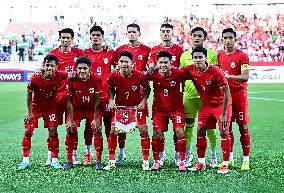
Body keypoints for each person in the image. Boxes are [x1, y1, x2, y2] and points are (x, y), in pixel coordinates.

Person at [182, 47, 232, 174]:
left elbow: (227, 92)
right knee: (200, 130)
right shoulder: (191, 70)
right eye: (195, 57)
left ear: (205, 58)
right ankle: (201, 162)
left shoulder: (216, 71)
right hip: (207, 106)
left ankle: (225, 164)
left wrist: (224, 113)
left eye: (200, 57)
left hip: (221, 105)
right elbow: (175, 73)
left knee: (223, 131)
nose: (198, 60)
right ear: (192, 59)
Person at [18, 55, 67, 170]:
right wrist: (29, 112)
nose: (50, 68)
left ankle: (54, 160)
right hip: (35, 108)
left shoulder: (60, 75)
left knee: (53, 131)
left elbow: (73, 75)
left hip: (50, 108)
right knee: (28, 131)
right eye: (48, 65)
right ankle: (25, 161)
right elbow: (29, 94)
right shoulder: (35, 78)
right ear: (43, 66)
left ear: (56, 67)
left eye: (52, 66)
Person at [104, 51, 151, 171]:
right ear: (118, 63)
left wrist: (143, 102)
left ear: (132, 63)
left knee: (143, 129)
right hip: (120, 107)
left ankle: (145, 161)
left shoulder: (140, 75)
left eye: (126, 62)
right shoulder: (113, 76)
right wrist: (111, 99)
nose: (124, 64)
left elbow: (147, 88)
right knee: (114, 131)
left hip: (136, 107)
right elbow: (110, 88)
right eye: (121, 61)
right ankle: (112, 161)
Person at [180, 27, 218, 168]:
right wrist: (180, 94)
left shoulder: (213, 55)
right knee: (188, 128)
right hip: (189, 97)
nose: (197, 38)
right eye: (194, 35)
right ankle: (189, 156)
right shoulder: (184, 56)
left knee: (209, 129)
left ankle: (213, 156)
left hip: (206, 99)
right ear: (191, 37)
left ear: (204, 37)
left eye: (199, 36)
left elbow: (216, 75)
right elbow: (181, 77)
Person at [113, 23, 151, 165]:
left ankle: (152, 157)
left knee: (142, 126)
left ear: (139, 33)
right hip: (122, 93)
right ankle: (121, 154)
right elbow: (114, 70)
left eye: (134, 32)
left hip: (140, 95)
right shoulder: (120, 50)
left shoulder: (146, 50)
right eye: (129, 32)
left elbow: (151, 68)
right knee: (120, 126)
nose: (131, 34)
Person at [46, 28, 84, 165]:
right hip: (55, 97)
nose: (65, 40)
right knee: (52, 127)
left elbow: (92, 58)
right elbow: (46, 74)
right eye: (63, 37)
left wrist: (106, 47)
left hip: (72, 97)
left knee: (72, 127)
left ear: (72, 39)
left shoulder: (79, 54)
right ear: (59, 38)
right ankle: (51, 155)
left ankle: (74, 154)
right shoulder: (52, 54)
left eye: (68, 37)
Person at [148, 23, 184, 165]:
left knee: (178, 131)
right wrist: (154, 67)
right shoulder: (154, 50)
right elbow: (150, 68)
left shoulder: (179, 50)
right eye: (163, 31)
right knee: (158, 132)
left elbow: (183, 71)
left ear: (172, 33)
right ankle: (160, 157)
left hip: (175, 98)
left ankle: (178, 157)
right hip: (160, 102)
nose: (165, 33)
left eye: (168, 31)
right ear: (160, 33)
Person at [218, 28, 251, 171]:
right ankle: (230, 159)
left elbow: (245, 76)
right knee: (227, 127)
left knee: (242, 126)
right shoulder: (219, 55)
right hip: (226, 96)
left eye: (231, 38)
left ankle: (245, 160)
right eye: (225, 38)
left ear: (235, 39)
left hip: (239, 95)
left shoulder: (242, 56)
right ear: (221, 39)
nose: (228, 40)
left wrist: (229, 76)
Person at [82, 25, 115, 166]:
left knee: (110, 127)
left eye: (98, 35)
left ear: (102, 37)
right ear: (90, 37)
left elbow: (119, 65)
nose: (95, 37)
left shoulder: (110, 52)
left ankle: (111, 157)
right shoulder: (84, 54)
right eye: (93, 35)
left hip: (107, 96)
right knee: (91, 127)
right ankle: (88, 154)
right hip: (90, 97)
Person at [63, 57, 102, 170]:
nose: (82, 71)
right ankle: (69, 160)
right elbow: (69, 101)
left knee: (97, 129)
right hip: (76, 110)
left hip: (91, 109)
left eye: (85, 68)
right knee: (70, 129)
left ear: (90, 69)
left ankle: (98, 161)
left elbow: (97, 100)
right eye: (79, 68)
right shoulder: (71, 79)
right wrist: (70, 119)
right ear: (76, 69)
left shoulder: (96, 79)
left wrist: (95, 118)